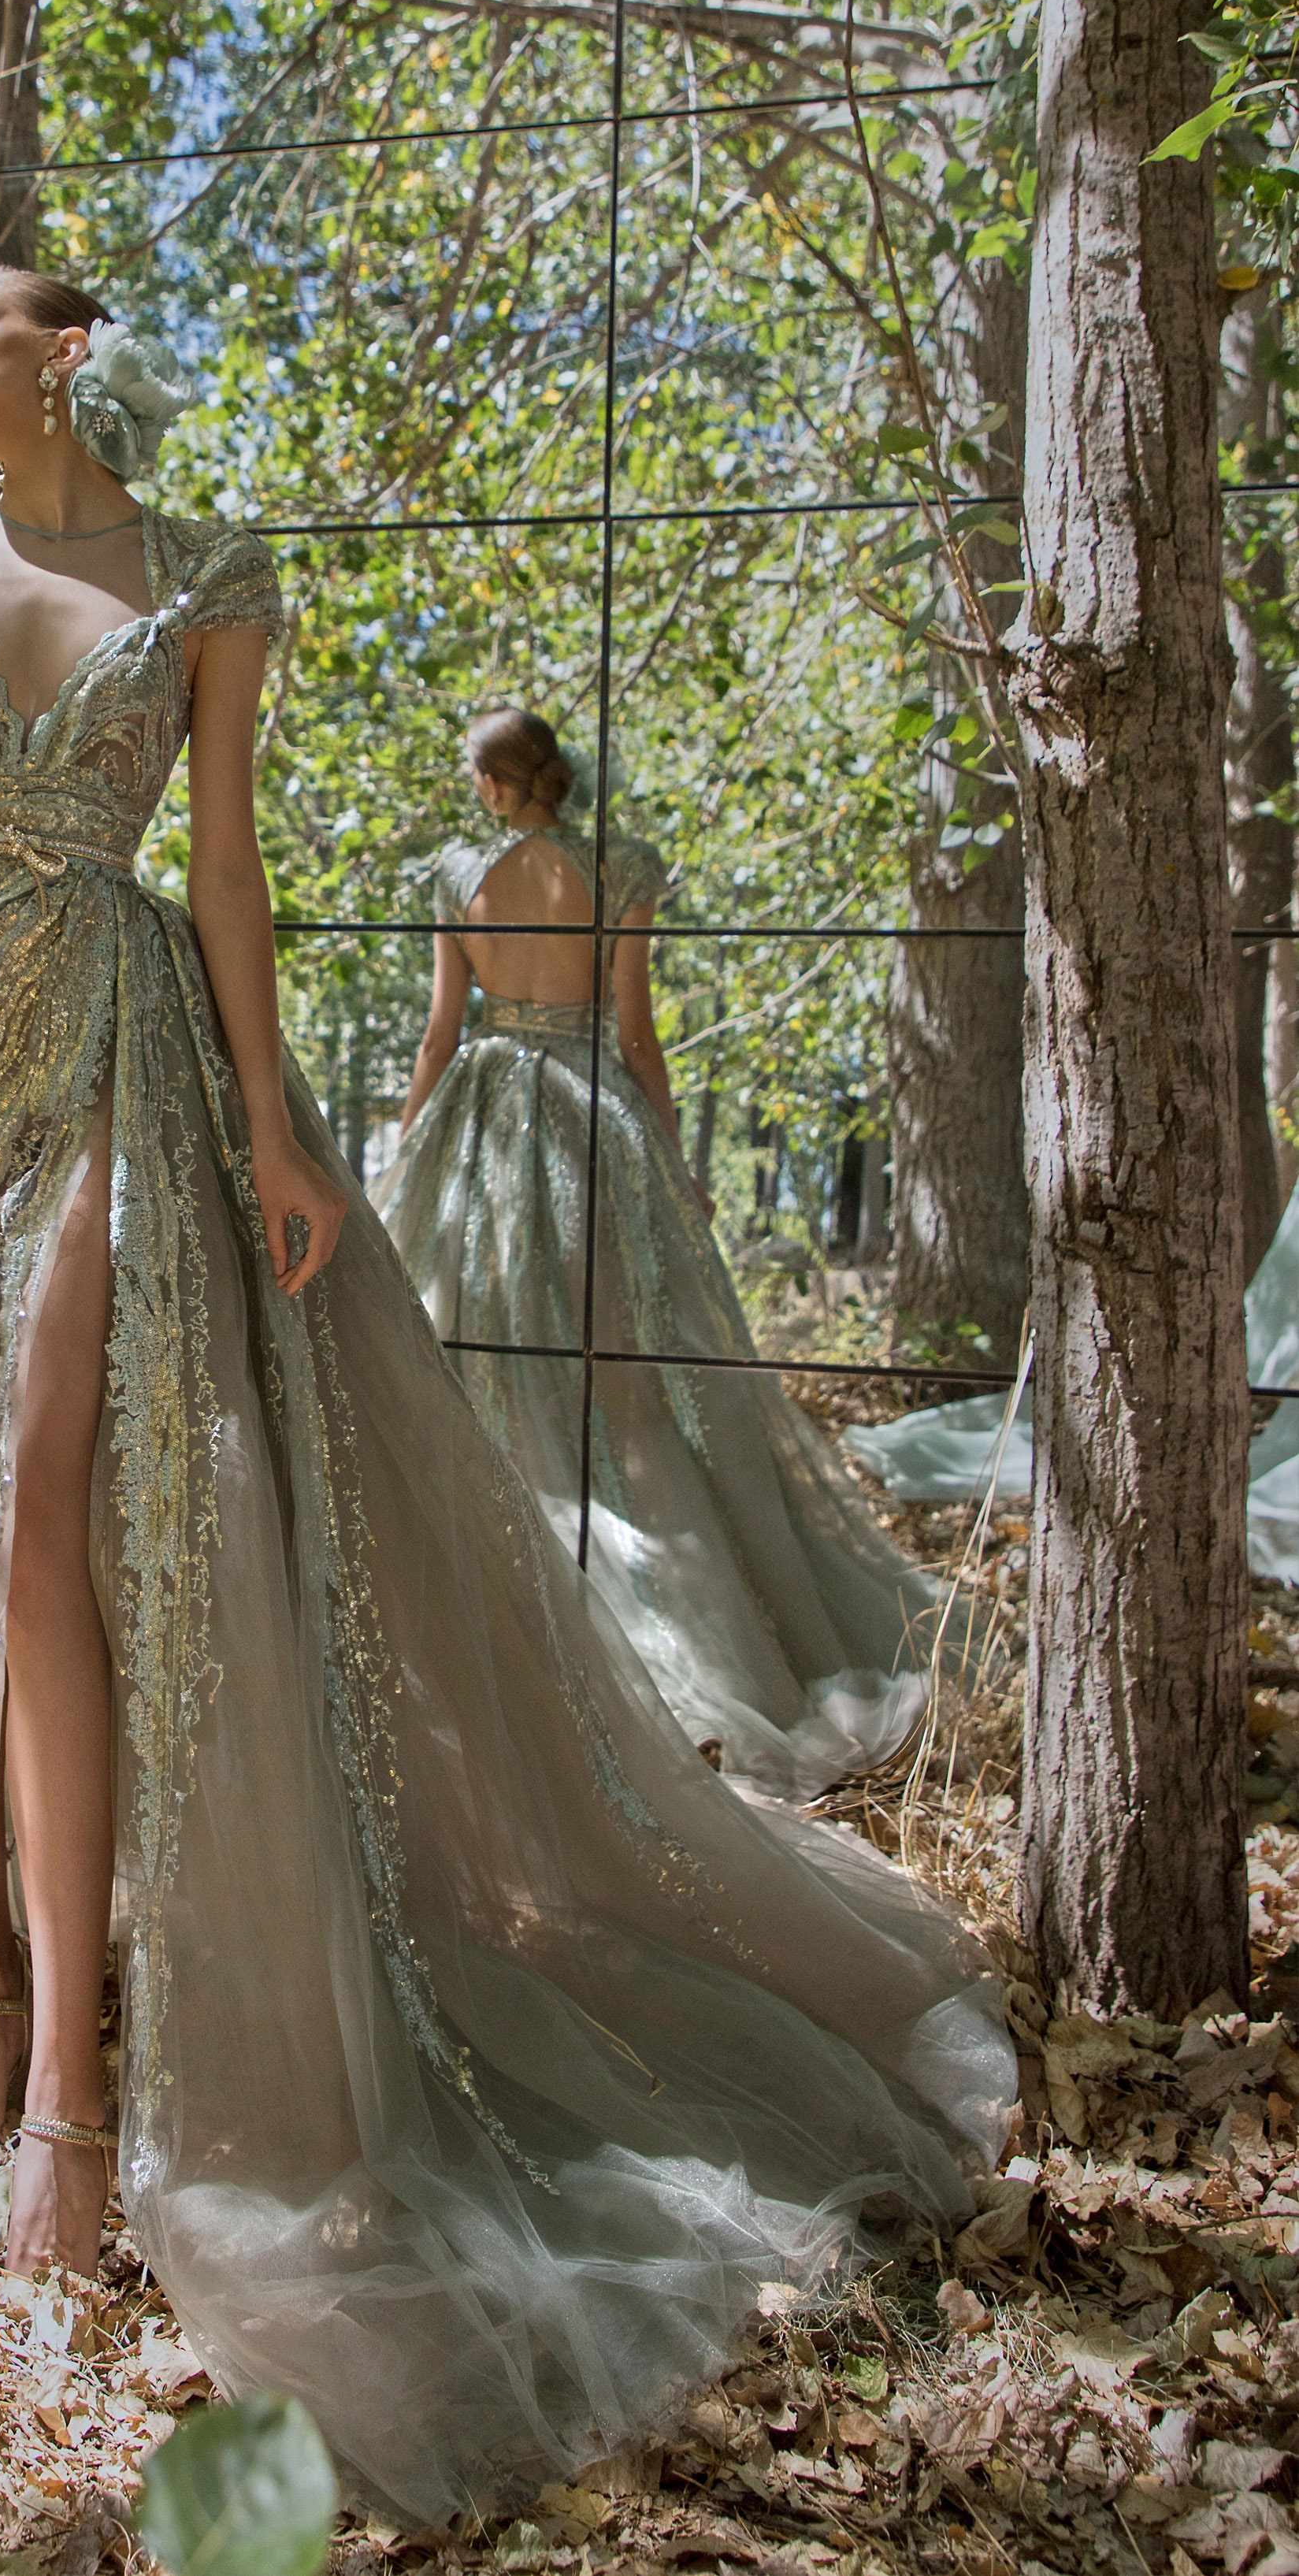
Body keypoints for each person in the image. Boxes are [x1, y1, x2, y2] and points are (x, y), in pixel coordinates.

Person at [0, 271, 1011, 2525]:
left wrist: (284, 1133)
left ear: (61, 354)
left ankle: (67, 2091)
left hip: (112, 1040)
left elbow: (221, 865)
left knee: (41, 1511)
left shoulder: (205, 577)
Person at [375, 709, 948, 1799]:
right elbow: (636, 1035)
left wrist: (409, 1156)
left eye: (475, 777)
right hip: (591, 1119)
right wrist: (673, 1162)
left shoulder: (455, 876)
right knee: (625, 1375)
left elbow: (442, 1033)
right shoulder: (620, 868)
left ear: (494, 781)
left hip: (484, 1119)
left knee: (477, 1350)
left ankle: (521, 1610)